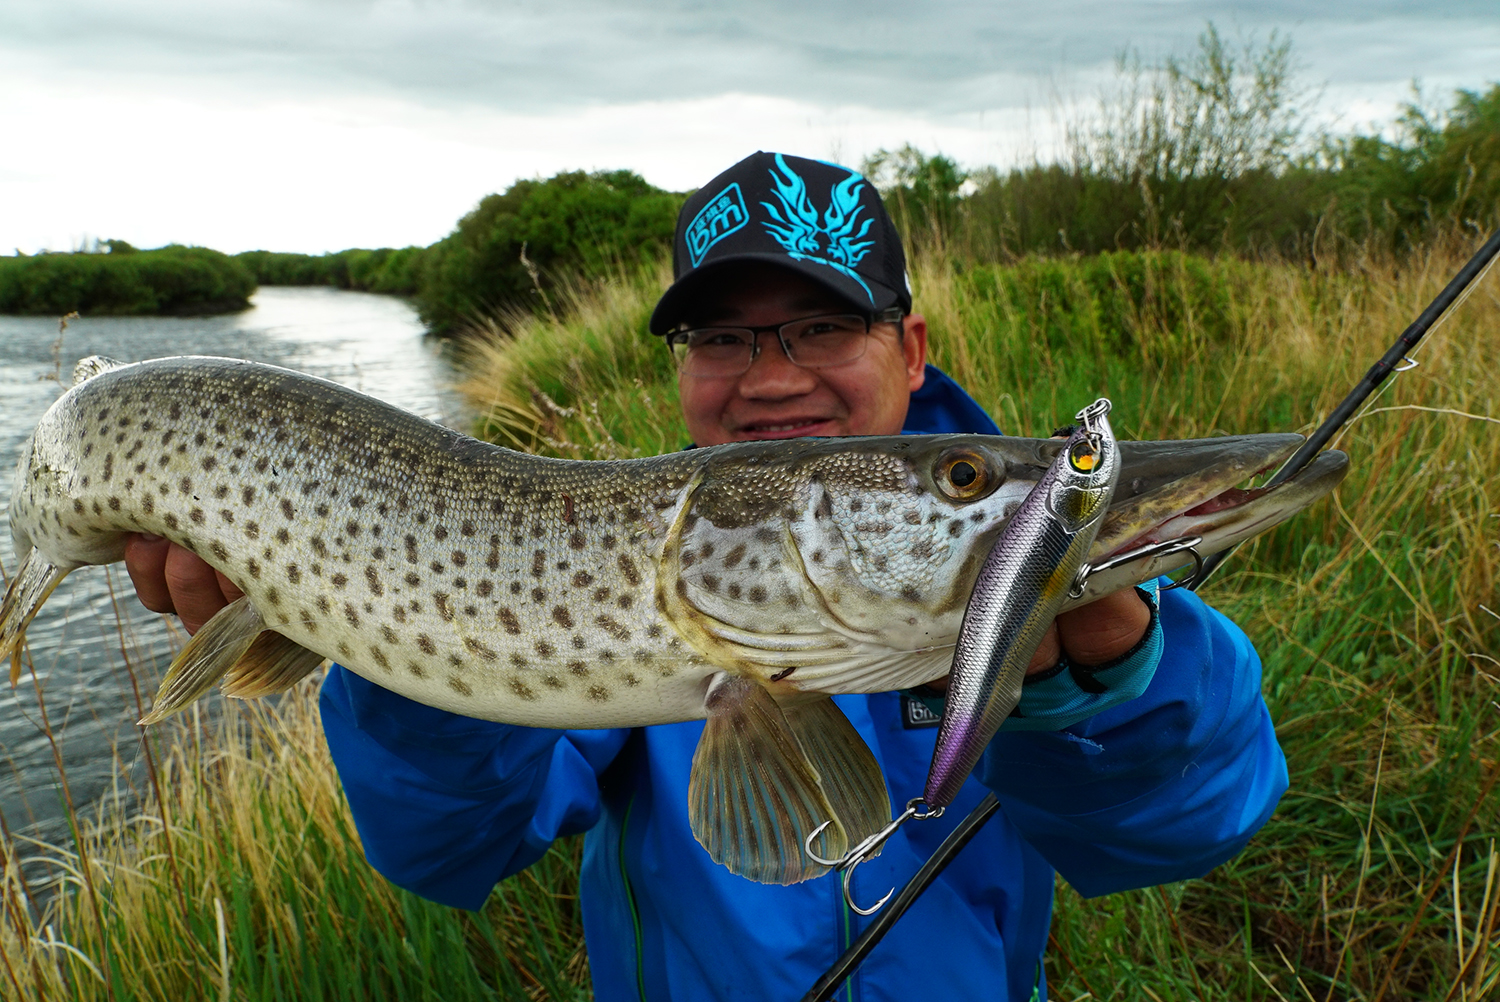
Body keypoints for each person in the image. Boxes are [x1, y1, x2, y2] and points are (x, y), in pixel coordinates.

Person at [124, 151, 1287, 1000]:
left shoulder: (1009, 550)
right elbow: (451, 850)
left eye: (822, 328)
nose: (771, 377)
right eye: (723, 338)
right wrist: (379, 625)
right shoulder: (654, 554)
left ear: (912, 347)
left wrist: (1105, 683)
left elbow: (1178, 832)